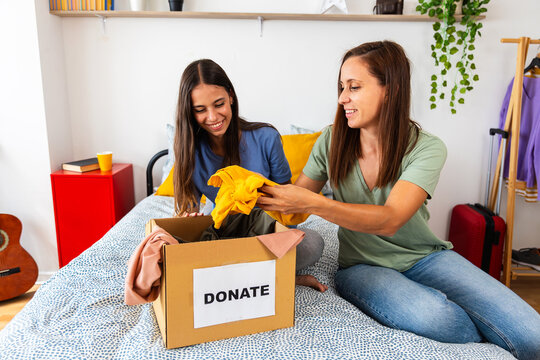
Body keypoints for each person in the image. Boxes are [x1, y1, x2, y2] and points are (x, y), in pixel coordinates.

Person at [257, 41, 540, 359]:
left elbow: (391, 219)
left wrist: (313, 203)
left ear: (389, 90)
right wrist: (250, 190)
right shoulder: (331, 140)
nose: (342, 98)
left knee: (533, 336)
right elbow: (290, 207)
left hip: (426, 257)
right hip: (362, 267)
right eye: (341, 87)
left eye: (354, 87)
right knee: (440, 319)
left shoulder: (427, 148)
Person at [172, 59, 327, 292]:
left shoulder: (266, 137)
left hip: (266, 229)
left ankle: (232, 275)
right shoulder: (190, 152)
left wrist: (255, 199)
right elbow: (188, 211)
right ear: (189, 112)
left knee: (313, 244)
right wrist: (187, 220)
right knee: (178, 247)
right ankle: (278, 276)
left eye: (219, 104)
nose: (213, 117)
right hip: (224, 233)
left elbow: (287, 200)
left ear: (231, 97)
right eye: (200, 110)